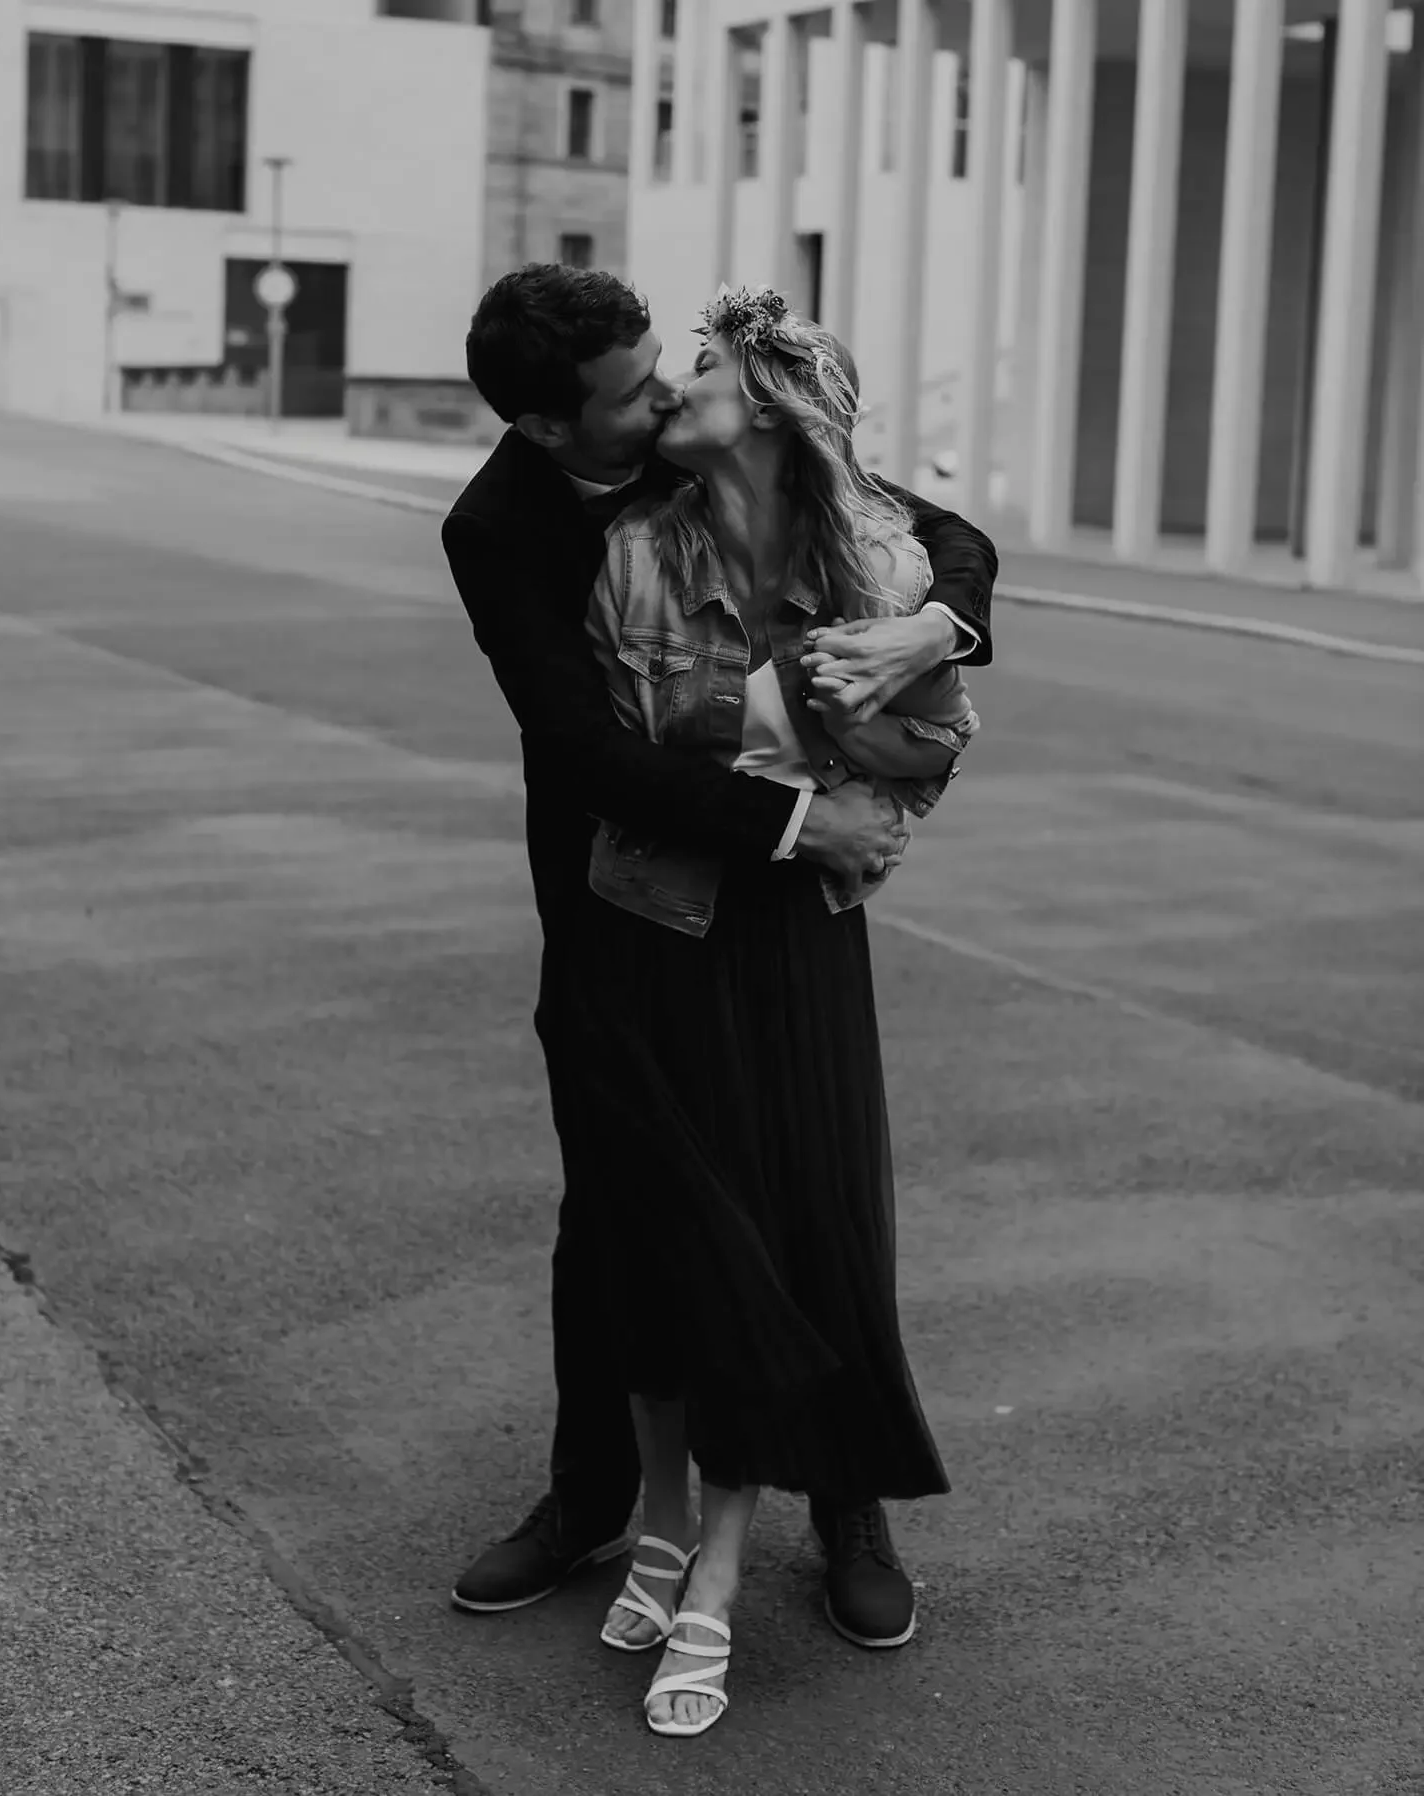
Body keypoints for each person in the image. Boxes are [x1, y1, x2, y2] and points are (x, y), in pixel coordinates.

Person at [440, 264, 996, 1657]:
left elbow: (936, 532)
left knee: (820, 1190)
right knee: (617, 1217)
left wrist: (936, 625)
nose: (665, 396)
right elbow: (583, 752)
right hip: (616, 904)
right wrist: (805, 825)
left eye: (665, 367)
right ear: (550, 425)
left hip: (783, 906)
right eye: (633, 391)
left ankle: (850, 1504)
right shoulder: (501, 525)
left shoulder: (691, 443)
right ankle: (594, 1498)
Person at [562, 285, 972, 1737]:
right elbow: (628, 760)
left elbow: (933, 754)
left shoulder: (879, 558)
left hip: (797, 944)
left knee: (785, 1235)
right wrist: (786, 749)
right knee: (672, 1245)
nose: (679, 383)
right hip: (658, 923)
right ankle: (664, 1522)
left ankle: (731, 1572)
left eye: (706, 368)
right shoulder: (632, 551)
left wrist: (897, 665)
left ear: (775, 406)